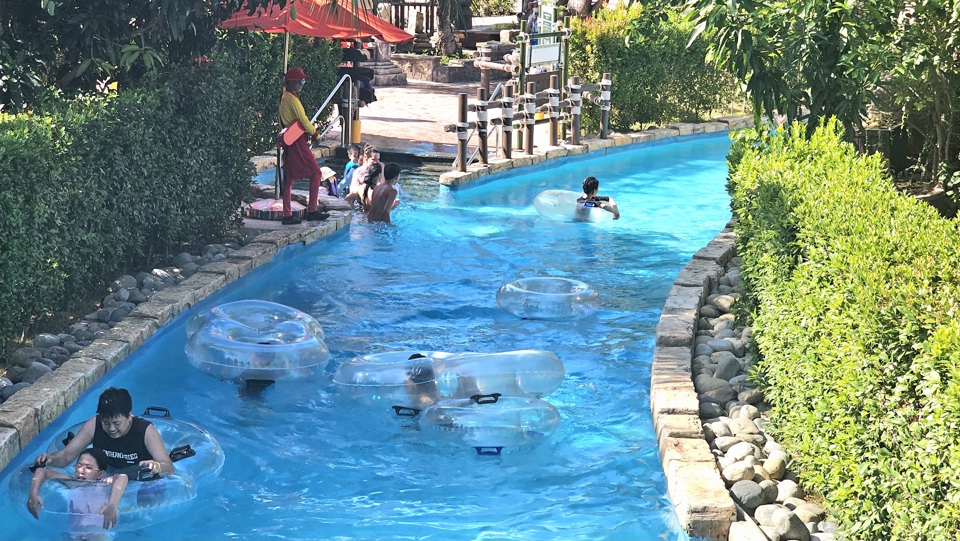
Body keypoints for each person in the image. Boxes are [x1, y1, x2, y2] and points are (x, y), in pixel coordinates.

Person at [33, 388, 173, 478]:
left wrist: (157, 466)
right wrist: (51, 459)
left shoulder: (145, 430)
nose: (111, 428)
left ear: (129, 415)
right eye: (106, 423)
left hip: (137, 477)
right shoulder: (95, 424)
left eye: (117, 423)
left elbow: (168, 465)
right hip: (107, 474)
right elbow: (67, 456)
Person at [27, 447, 130, 530]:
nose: (81, 470)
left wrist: (112, 504)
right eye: (79, 465)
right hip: (74, 533)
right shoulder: (71, 482)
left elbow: (122, 477)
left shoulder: (103, 485)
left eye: (88, 467)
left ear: (100, 473)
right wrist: (33, 494)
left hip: (97, 534)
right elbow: (41, 471)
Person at [278, 66, 328, 225]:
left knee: (289, 179)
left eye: (303, 80)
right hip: (297, 141)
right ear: (291, 82)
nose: (302, 83)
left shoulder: (286, 97)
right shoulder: (292, 99)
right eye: (300, 81)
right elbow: (303, 120)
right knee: (315, 173)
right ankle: (312, 210)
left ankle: (287, 214)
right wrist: (315, 134)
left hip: (291, 140)